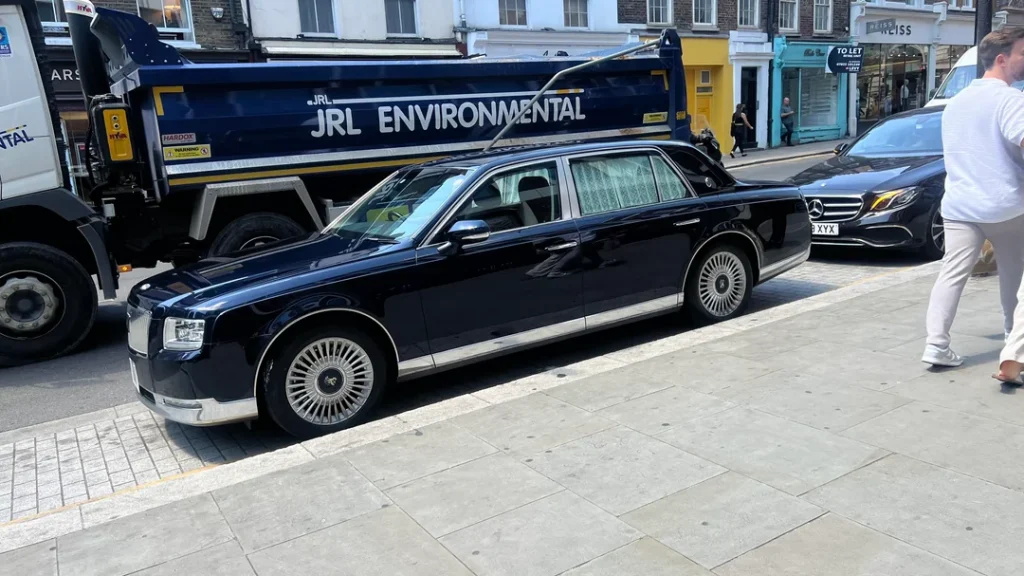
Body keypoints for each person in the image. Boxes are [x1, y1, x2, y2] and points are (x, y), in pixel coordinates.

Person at [923, 27, 1024, 368]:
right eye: (1023, 54)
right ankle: (1012, 339)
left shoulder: (956, 103)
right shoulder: (1010, 99)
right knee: (1013, 272)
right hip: (1005, 204)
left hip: (959, 204)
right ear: (1002, 59)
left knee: (951, 274)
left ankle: (936, 344)